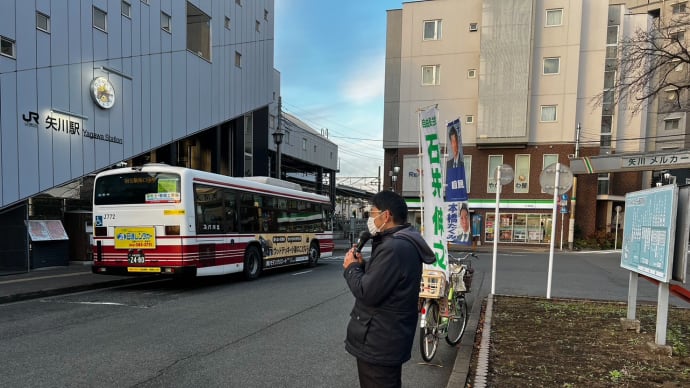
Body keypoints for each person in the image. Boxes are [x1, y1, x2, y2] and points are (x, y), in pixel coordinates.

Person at [342, 191, 435, 388]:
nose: (370, 218)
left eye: (373, 213)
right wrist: (363, 265)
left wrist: (351, 267)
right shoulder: (402, 241)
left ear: (386, 215)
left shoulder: (394, 247)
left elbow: (367, 293)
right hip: (389, 337)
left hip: (379, 340)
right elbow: (387, 281)